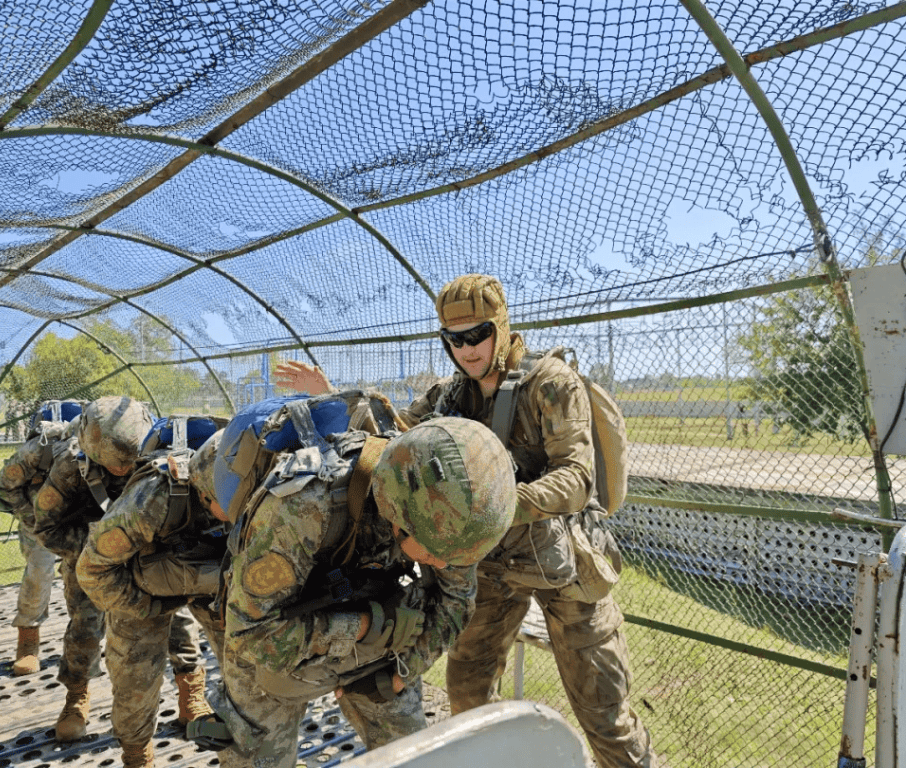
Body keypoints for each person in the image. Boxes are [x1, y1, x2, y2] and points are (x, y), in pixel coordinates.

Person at [275, 273, 657, 768]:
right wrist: (331, 395)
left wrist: (497, 505)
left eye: (478, 335)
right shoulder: (448, 397)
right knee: (469, 701)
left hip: (566, 568)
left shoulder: (551, 385)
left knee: (606, 718)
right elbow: (396, 441)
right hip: (492, 568)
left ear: (500, 328)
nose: (468, 348)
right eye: (454, 339)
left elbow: (577, 478)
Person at [207, 409, 516, 768]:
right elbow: (250, 635)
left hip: (375, 637)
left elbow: (456, 602)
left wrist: (403, 671)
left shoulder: (448, 514)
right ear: (396, 513)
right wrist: (367, 626)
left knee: (413, 756)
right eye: (435, 553)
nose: (444, 565)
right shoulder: (302, 507)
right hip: (272, 636)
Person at [30, 396, 207, 743]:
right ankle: (76, 699)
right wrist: (101, 547)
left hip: (151, 555)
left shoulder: (158, 452)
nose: (125, 471)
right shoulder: (71, 465)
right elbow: (47, 527)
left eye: (131, 463)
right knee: (84, 627)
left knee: (181, 622)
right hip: (92, 561)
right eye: (116, 465)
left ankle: (192, 697)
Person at [76, 429, 229, 768]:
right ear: (204, 490)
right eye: (229, 501)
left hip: (212, 577)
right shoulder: (152, 499)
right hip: (141, 584)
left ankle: (194, 701)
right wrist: (148, 605)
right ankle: (137, 753)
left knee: (240, 655)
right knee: (134, 674)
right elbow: (91, 571)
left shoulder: (255, 487)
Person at [0, 415, 76, 676]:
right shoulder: (37, 451)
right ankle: (28, 642)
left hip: (75, 517)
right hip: (36, 516)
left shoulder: (100, 450)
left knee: (88, 573)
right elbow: (4, 485)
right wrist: (32, 518)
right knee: (39, 571)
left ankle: (85, 641)